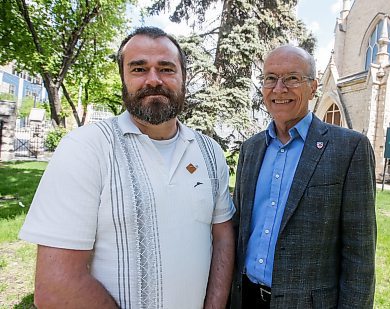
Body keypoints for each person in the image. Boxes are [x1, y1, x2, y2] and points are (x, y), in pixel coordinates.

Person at [19, 27, 235, 309]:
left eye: (167, 69)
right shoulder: (86, 148)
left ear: (184, 78)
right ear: (123, 78)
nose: (153, 79)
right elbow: (56, 287)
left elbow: (222, 237)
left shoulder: (210, 152)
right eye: (139, 69)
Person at [230, 45, 377, 308]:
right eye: (271, 78)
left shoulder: (349, 148)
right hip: (247, 297)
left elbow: (360, 255)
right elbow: (239, 229)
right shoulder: (251, 149)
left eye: (292, 79)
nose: (279, 89)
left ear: (313, 87)